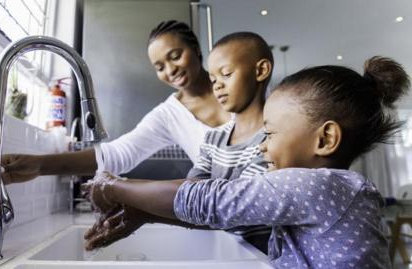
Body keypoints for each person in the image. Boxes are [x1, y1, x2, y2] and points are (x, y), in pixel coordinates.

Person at [85, 56, 410, 268]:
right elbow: (232, 215)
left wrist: (112, 186)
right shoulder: (329, 189)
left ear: (324, 140)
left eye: (270, 134)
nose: (262, 148)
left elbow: (208, 200)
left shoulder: (314, 185)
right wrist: (144, 213)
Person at [85, 31, 274, 253]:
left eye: (226, 74)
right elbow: (193, 199)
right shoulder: (214, 139)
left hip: (267, 259)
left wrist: (116, 187)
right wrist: (145, 213)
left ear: (260, 70)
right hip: (235, 253)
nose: (218, 86)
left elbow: (227, 205)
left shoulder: (274, 139)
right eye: (214, 79)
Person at [1, 20, 229, 183]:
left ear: (196, 50)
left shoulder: (234, 82)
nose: (170, 70)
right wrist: (40, 165)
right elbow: (118, 154)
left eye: (176, 56)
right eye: (159, 67)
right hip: (235, 224)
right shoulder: (168, 115)